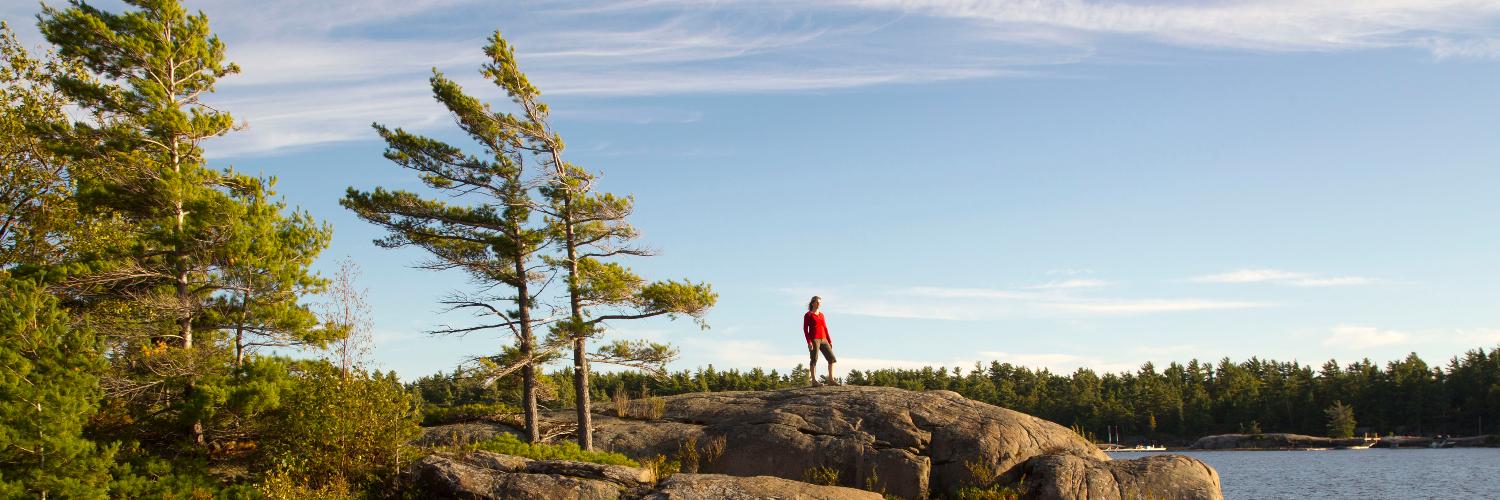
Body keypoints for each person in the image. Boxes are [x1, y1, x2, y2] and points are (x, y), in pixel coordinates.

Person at [803, 296, 837, 386]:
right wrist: (809, 342)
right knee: (814, 359)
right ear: (813, 303)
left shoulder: (821, 315)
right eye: (817, 302)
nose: (819, 304)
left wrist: (829, 341)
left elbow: (825, 328)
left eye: (820, 302)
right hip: (814, 339)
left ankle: (831, 380)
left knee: (832, 358)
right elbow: (805, 330)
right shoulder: (808, 315)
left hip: (824, 339)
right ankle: (814, 381)